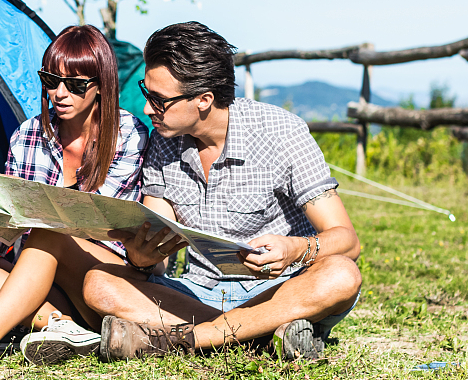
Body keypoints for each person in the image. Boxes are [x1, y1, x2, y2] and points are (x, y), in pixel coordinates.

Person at [79, 21, 363, 361]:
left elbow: (347, 240)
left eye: (159, 100)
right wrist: (143, 257)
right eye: (145, 92)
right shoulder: (162, 142)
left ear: (204, 100)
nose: (147, 109)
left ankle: (187, 339)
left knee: (341, 275)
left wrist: (294, 249)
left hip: (278, 290)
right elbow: (158, 257)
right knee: (98, 283)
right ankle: (260, 334)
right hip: (196, 295)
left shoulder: (282, 132)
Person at [0, 25, 149, 377]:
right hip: (42, 280)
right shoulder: (28, 133)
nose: (60, 94)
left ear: (102, 86)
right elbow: (12, 230)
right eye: (50, 80)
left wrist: (33, 219)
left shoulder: (129, 135)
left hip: (103, 278)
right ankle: (63, 327)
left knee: (50, 231)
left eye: (76, 84)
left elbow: (99, 225)